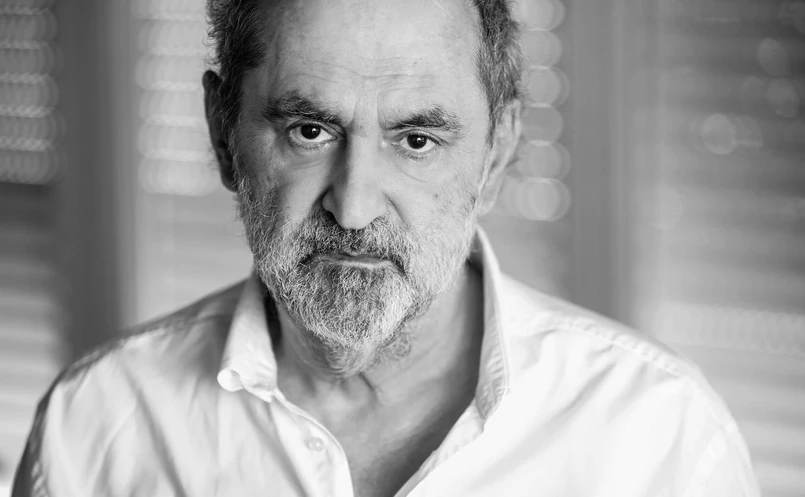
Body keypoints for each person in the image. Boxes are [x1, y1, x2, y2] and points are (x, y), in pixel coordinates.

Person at [13, 0, 760, 495]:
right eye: (309, 130)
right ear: (221, 132)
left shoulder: (661, 441)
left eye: (416, 139)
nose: (355, 205)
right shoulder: (96, 425)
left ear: (497, 153)